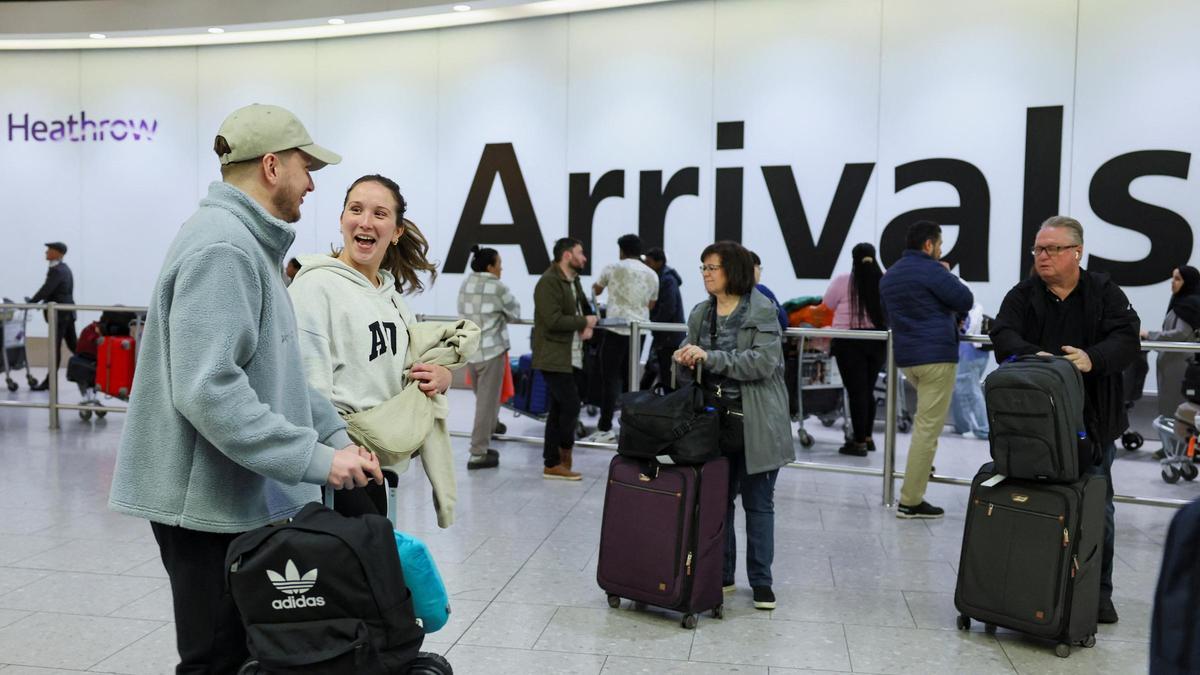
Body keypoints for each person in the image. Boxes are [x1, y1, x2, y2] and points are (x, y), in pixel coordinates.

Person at [108, 104, 383, 673]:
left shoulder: (249, 244)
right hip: (202, 509)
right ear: (273, 166)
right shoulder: (225, 249)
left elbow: (279, 373)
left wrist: (334, 437)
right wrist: (313, 459)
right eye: (307, 168)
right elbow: (209, 389)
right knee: (216, 658)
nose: (312, 184)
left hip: (229, 499)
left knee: (243, 654)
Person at [990, 215, 1140, 625]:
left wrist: (1092, 358)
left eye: (1052, 249)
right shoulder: (1023, 294)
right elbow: (1002, 334)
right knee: (1032, 505)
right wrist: (1033, 358)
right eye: (1038, 249)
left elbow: (1128, 337)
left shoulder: (1105, 293)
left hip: (1092, 422)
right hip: (1034, 427)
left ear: (1077, 252)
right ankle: (1029, 591)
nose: (1042, 257)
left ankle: (1096, 595)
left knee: (1096, 509)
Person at [290, 174, 459, 524]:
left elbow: (407, 370)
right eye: (356, 209)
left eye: (380, 214)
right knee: (364, 571)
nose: (365, 222)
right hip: (338, 466)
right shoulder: (315, 287)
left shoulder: (393, 299)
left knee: (375, 569)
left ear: (396, 231)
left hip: (377, 466)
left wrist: (440, 376)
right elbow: (306, 388)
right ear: (341, 221)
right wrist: (335, 455)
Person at [674, 240, 793, 611]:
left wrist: (710, 357)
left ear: (734, 270)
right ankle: (722, 574)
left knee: (759, 503)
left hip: (757, 422)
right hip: (712, 423)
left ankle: (761, 582)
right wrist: (684, 356)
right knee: (717, 502)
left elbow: (762, 364)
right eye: (703, 267)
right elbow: (691, 356)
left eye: (713, 267)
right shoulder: (699, 314)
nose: (707, 274)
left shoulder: (762, 309)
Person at [879, 220, 973, 519]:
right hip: (936, 357)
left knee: (924, 425)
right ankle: (910, 500)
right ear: (929, 245)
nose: (940, 250)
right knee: (927, 430)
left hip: (907, 359)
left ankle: (921, 469)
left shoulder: (890, 276)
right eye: (940, 245)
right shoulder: (932, 270)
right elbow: (964, 299)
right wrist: (946, 273)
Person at [533, 237, 597, 480]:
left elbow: (581, 309)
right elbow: (553, 320)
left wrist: (587, 321)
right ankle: (559, 459)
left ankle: (554, 462)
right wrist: (584, 322)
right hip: (553, 356)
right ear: (568, 255)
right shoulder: (548, 282)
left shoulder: (574, 281)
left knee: (560, 408)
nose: (585, 258)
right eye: (581, 253)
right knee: (569, 405)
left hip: (573, 355)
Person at [457, 244, 521, 469]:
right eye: (499, 265)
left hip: (471, 351)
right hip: (492, 352)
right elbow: (515, 314)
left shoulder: (466, 283)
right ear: (490, 266)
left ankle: (493, 426)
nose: (501, 269)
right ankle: (478, 453)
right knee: (486, 403)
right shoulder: (497, 287)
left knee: (484, 400)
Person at [590, 233, 658, 442]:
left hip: (615, 329)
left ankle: (605, 427)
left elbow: (596, 290)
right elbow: (651, 304)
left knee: (609, 379)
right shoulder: (651, 274)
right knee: (632, 381)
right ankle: (630, 429)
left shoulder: (613, 267)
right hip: (639, 332)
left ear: (621, 250)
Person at [822, 242, 886, 456]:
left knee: (856, 391)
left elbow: (827, 304)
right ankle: (867, 437)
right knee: (868, 389)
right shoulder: (883, 281)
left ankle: (857, 442)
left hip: (848, 342)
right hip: (877, 341)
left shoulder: (843, 281)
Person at [1142, 266, 1200, 421]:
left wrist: (1149, 334)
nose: (1172, 282)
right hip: (1169, 363)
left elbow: (1180, 334)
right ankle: (1168, 444)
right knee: (1166, 405)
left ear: (1188, 282)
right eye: (1173, 278)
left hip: (1178, 365)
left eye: (1178, 279)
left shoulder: (1190, 305)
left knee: (1175, 406)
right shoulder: (1180, 302)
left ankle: (1176, 445)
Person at [28, 241, 76, 390]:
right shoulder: (62, 268)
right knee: (74, 345)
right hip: (67, 313)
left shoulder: (57, 270)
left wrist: (32, 302)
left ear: (58, 253)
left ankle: (49, 382)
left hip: (60, 315)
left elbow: (47, 289)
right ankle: (95, 369)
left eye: (50, 250)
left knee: (56, 348)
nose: (46, 252)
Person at [641, 247, 684, 392]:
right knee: (660, 372)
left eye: (649, 262)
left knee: (667, 376)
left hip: (668, 337)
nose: (646, 265)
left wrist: (653, 322)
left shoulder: (667, 280)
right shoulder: (663, 279)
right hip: (666, 336)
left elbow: (668, 308)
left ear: (659, 262)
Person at [950, 302, 991, 440]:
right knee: (963, 390)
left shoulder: (959, 309)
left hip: (968, 354)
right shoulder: (974, 307)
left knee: (970, 392)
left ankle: (983, 429)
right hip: (978, 354)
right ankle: (962, 426)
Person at [750, 251, 789, 330]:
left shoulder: (722, 293)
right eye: (758, 268)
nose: (760, 273)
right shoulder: (760, 291)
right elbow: (782, 322)